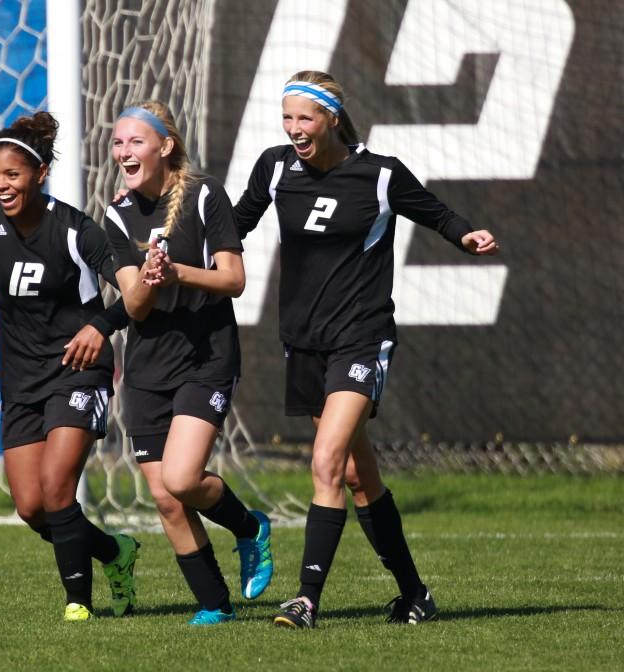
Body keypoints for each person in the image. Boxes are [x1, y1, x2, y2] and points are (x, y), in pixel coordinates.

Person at [232, 70, 499, 629]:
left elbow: (436, 212)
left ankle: (305, 599)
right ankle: (415, 594)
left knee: (326, 461)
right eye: (287, 117)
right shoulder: (276, 167)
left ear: (332, 118)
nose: (294, 128)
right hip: (303, 341)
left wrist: (466, 235)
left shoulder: (379, 174)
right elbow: (233, 227)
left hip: (361, 335)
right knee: (357, 476)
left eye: (305, 117)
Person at [0, 111, 139, 622]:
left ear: (38, 175)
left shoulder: (76, 230)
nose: (1, 185)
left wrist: (100, 327)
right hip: (22, 378)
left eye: (12, 175)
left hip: (79, 371)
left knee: (57, 489)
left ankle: (78, 602)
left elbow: (136, 295)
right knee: (31, 507)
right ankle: (116, 553)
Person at [103, 101, 273, 626]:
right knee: (165, 497)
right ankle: (213, 605)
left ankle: (248, 528)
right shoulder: (116, 214)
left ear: (165, 146)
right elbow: (132, 307)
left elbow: (234, 280)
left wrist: (178, 272)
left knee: (180, 477)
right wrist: (148, 284)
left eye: (135, 141)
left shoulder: (204, 196)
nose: (123, 152)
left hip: (207, 357)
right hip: (148, 365)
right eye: (117, 143)